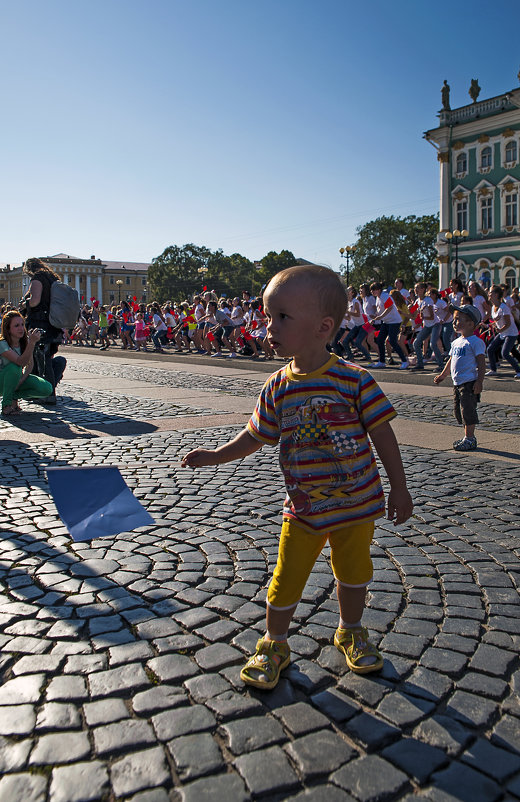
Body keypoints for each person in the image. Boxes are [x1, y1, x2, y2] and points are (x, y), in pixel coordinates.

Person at [182, 264, 413, 689]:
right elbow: (255, 436)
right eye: (269, 316)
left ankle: (351, 629)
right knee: (286, 578)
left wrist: (399, 488)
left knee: (354, 573)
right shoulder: (276, 386)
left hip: (356, 505)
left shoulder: (355, 380)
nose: (269, 326)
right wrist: (216, 456)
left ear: (323, 327)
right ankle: (275, 641)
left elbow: (383, 432)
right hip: (304, 508)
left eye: (282, 317)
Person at [433, 305, 486, 451]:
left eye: (458, 320)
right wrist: (443, 375)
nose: (454, 322)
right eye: (454, 319)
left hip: (469, 383)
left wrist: (479, 381)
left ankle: (470, 438)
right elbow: (451, 360)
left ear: (470, 324)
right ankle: (466, 436)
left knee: (467, 410)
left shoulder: (475, 342)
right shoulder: (456, 342)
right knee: (459, 411)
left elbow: (481, 363)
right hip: (457, 383)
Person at [22, 257, 66, 404]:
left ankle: (48, 394)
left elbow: (35, 301)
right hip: (54, 325)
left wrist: (25, 302)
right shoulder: (52, 278)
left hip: (40, 324)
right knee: (47, 357)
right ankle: (39, 391)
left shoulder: (38, 278)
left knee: (42, 359)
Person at [0, 311, 54, 415]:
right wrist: (32, 343)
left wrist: (20, 381)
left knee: (46, 388)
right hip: (2, 381)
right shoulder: (2, 344)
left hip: (15, 379)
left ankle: (14, 396)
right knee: (14, 367)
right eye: (16, 326)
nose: (21, 328)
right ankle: (6, 405)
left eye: (22, 324)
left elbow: (30, 365)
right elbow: (20, 362)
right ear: (8, 329)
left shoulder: (24, 342)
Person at [369, 282, 409, 369]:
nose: (372, 292)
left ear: (379, 290)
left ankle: (404, 361)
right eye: (371, 290)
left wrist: (380, 317)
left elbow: (390, 307)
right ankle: (382, 361)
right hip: (386, 322)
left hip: (394, 321)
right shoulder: (378, 298)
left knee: (392, 341)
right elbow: (380, 310)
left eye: (373, 290)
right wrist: (375, 318)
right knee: (379, 340)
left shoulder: (384, 296)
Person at [486, 285, 520, 378]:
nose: (489, 294)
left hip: (511, 333)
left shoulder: (503, 307)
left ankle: (518, 370)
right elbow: (498, 320)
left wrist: (499, 330)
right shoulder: (493, 307)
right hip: (503, 333)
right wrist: (491, 325)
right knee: (490, 349)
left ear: (496, 295)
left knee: (505, 353)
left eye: (491, 292)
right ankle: (493, 370)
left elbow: (508, 323)